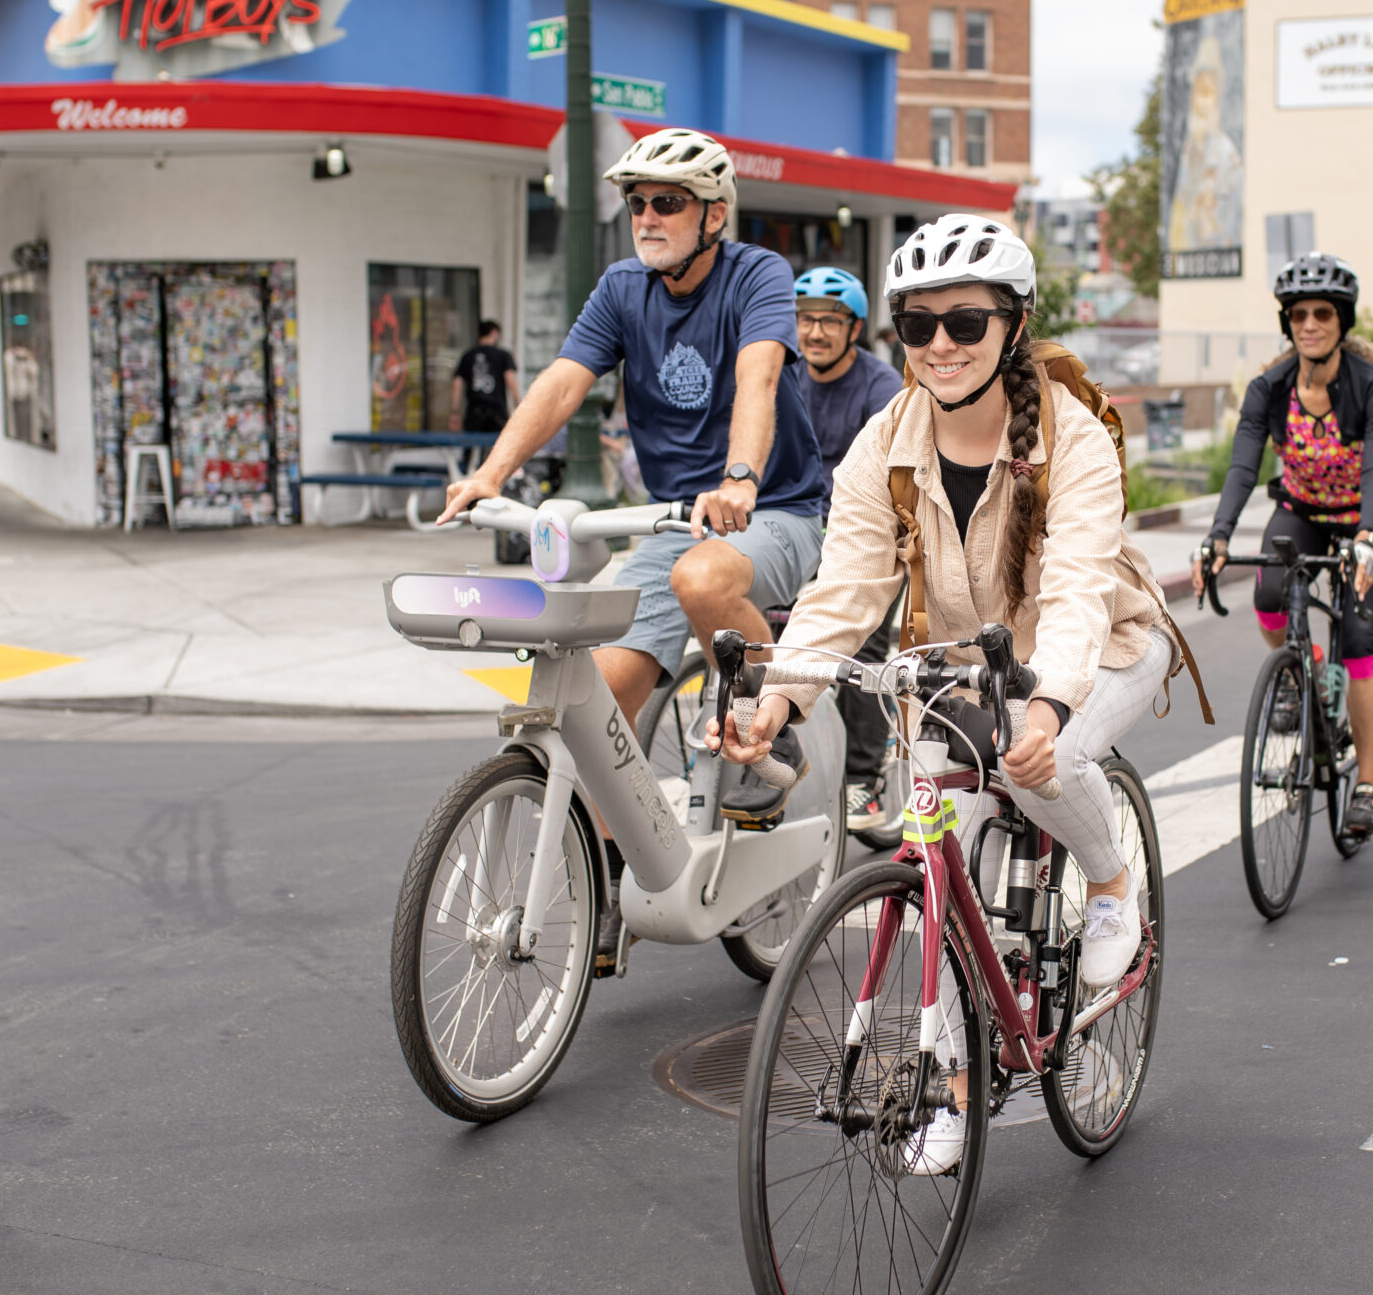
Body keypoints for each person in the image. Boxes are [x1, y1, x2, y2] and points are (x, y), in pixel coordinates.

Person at [722, 215, 1180, 1172]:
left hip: (1102, 650)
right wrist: (781, 698)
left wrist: (1052, 705)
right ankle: (959, 1097)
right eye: (916, 326)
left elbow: (1078, 589)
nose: (939, 346)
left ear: (1012, 325)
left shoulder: (1073, 439)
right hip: (961, 666)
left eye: (965, 323)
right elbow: (844, 588)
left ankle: (1107, 885)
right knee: (951, 878)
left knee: (1044, 766)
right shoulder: (885, 442)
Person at [437, 128, 829, 821]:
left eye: (668, 202)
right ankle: (623, 875)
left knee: (702, 579)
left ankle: (774, 729)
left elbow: (758, 374)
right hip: (677, 517)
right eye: (637, 201)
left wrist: (739, 476)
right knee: (595, 703)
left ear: (714, 213)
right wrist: (490, 475)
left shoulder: (756, 273)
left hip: (775, 509)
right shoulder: (624, 289)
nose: (646, 216)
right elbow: (563, 383)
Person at [1195, 253, 1373, 844]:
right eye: (1298, 314)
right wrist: (1218, 535)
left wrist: (1367, 538)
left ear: (1342, 320)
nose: (1309, 324)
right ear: (1287, 321)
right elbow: (1244, 465)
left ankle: (1367, 786)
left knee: (1362, 635)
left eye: (1322, 313)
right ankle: (1306, 670)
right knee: (1267, 593)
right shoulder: (1269, 388)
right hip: (1306, 510)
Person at [792, 265, 906, 836]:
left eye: (829, 320)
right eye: (805, 319)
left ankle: (864, 776)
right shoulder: (786, 380)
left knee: (860, 647)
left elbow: (885, 480)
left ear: (854, 328)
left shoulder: (879, 387)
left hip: (868, 531)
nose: (814, 332)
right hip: (799, 525)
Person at [450, 317, 518, 434]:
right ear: (494, 333)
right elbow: (510, 380)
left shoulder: (468, 355)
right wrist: (518, 404)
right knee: (500, 447)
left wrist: (454, 411)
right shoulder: (503, 355)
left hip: (474, 410)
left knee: (470, 447)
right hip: (497, 410)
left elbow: (457, 383)